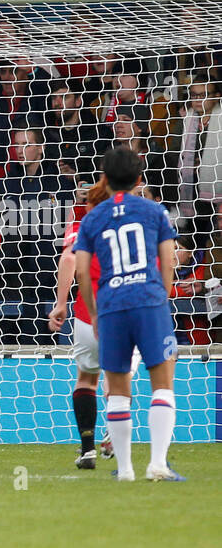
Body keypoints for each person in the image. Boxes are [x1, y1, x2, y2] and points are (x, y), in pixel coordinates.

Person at [74, 147, 183, 481]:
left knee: (118, 389)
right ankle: (158, 464)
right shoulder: (154, 212)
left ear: (104, 179)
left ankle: (124, 470)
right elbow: (168, 261)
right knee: (162, 384)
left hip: (111, 306)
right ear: (138, 180)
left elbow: (80, 272)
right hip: (148, 301)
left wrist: (94, 313)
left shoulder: (92, 218)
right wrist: (159, 299)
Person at [48, 178, 142, 468]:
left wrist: (61, 303)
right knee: (119, 379)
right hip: (128, 310)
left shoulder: (83, 225)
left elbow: (67, 259)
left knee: (87, 377)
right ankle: (115, 436)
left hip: (88, 315)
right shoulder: (136, 224)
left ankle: (87, 449)